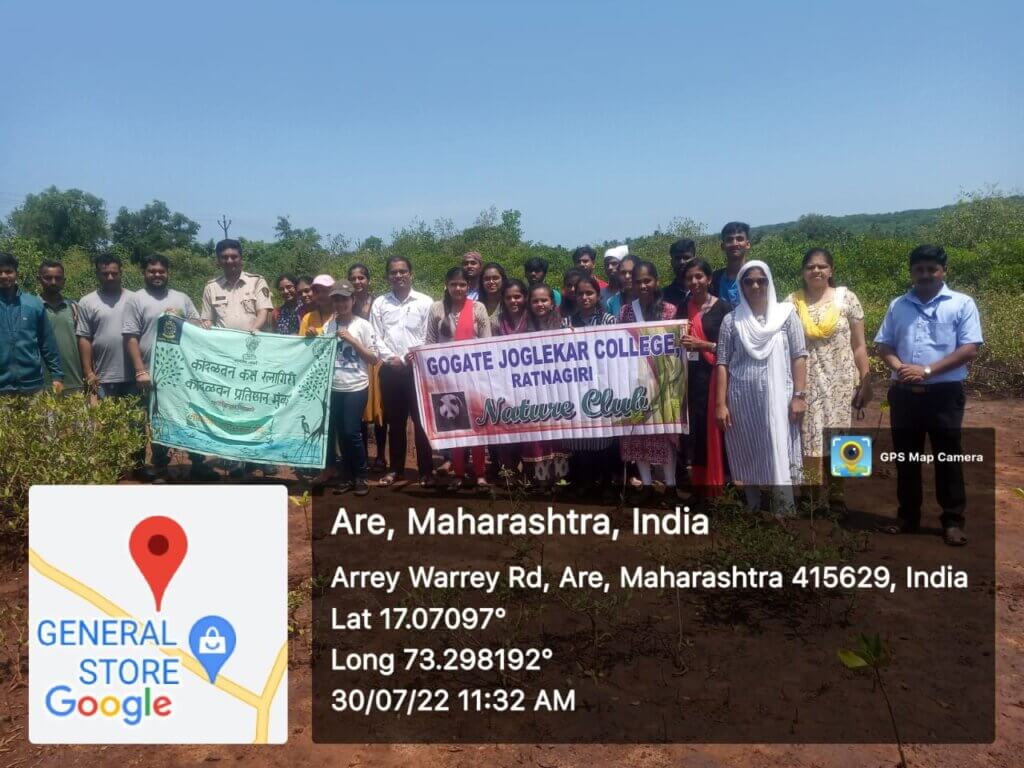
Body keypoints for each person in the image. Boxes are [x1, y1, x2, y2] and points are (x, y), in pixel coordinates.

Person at [875, 244, 982, 547]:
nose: (925, 275)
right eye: (919, 269)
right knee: (906, 458)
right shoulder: (898, 305)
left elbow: (970, 348)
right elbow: (884, 345)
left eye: (931, 269)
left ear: (943, 271)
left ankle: (952, 521)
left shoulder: (961, 304)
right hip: (904, 394)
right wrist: (901, 368)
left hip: (944, 394)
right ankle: (908, 517)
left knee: (947, 457)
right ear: (911, 272)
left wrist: (927, 370)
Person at [716, 261, 808, 516]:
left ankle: (784, 507)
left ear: (769, 282)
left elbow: (799, 356)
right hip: (741, 399)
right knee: (747, 447)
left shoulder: (786, 315)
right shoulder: (731, 321)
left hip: (780, 398)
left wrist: (799, 396)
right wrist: (720, 404)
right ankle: (753, 507)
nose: (755, 286)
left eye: (761, 280)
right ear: (741, 286)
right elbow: (722, 363)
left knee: (778, 444)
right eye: (748, 281)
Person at [786, 248, 872, 511]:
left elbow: (859, 345)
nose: (816, 271)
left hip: (841, 380)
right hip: (807, 381)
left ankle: (838, 497)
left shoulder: (847, 298)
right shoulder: (791, 302)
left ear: (831, 270)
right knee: (809, 437)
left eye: (822, 266)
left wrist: (865, 380)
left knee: (842, 437)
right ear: (803, 272)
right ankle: (811, 497)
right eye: (811, 267)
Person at [123, 254, 217, 481]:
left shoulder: (181, 298)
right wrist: (140, 371)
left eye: (161, 271)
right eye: (152, 271)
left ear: (168, 273)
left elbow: (197, 325)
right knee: (157, 419)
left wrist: (204, 324)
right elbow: (131, 337)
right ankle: (161, 466)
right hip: (151, 373)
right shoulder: (135, 300)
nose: (157, 275)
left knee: (189, 415)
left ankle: (197, 463)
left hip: (182, 372)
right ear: (144, 273)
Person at [618, 261, 682, 506]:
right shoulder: (625, 312)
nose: (643, 285)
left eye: (647, 280)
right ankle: (645, 485)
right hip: (634, 383)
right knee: (638, 437)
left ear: (656, 281)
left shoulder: (669, 311)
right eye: (638, 281)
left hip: (664, 382)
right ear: (631, 284)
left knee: (664, 436)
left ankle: (671, 486)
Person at [425, 266, 493, 491]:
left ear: (468, 286)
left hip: (475, 378)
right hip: (447, 379)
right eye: (453, 284)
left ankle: (481, 474)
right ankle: (459, 473)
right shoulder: (436, 309)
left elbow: (487, 343)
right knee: (455, 427)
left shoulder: (478, 308)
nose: (458, 288)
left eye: (462, 284)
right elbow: (430, 344)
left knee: (477, 427)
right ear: (447, 285)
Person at [369, 256, 434, 487]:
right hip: (390, 370)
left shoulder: (426, 302)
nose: (398, 275)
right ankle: (395, 469)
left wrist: (415, 354)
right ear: (388, 276)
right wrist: (391, 359)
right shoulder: (379, 304)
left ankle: (426, 471)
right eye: (393, 272)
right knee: (395, 423)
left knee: (421, 422)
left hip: (418, 370)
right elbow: (375, 336)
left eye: (402, 271)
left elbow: (429, 335)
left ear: (411, 274)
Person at [316, 280, 378, 496]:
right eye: (337, 299)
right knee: (341, 433)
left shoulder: (362, 325)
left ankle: (362, 476)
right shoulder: (329, 326)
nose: (341, 303)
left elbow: (372, 358)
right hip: (334, 387)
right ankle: (347, 477)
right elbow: (320, 354)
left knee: (352, 432)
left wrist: (352, 340)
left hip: (356, 387)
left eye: (344, 299)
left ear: (353, 300)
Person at [564, 274, 618, 502]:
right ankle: (585, 483)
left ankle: (606, 483)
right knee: (581, 438)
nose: (585, 297)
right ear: (574, 296)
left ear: (598, 295)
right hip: (577, 388)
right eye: (580, 294)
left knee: (604, 438)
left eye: (590, 293)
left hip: (604, 386)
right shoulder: (566, 323)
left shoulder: (609, 321)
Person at [680, 259, 731, 497]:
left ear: (709, 279)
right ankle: (701, 489)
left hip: (717, 380)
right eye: (690, 277)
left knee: (719, 433)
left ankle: (723, 487)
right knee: (697, 434)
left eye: (699, 276)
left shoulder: (724, 310)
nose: (695, 282)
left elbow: (734, 350)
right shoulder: (683, 309)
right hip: (692, 382)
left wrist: (703, 345)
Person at [518, 284, 569, 492]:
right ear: (530, 304)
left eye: (544, 300)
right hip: (533, 391)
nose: (540, 304)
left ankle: (561, 478)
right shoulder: (523, 328)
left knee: (558, 434)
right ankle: (541, 479)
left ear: (552, 302)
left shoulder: (564, 325)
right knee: (537, 435)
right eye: (535, 301)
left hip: (558, 389)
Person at [0, 252, 63, 395]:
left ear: (16, 274)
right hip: (1, 389)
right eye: (0, 272)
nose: (4, 276)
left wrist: (57, 376)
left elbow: (47, 343)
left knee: (41, 418)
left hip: (33, 387)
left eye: (8, 271)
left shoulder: (33, 304)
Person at [77, 253, 135, 399]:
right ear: (97, 274)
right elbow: (84, 338)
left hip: (134, 376)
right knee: (102, 421)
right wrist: (88, 372)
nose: (110, 277)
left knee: (135, 421)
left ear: (121, 273)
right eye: (105, 274)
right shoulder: (86, 302)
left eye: (114, 273)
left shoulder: (135, 299)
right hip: (102, 377)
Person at [348, 263, 387, 472]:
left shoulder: (378, 303)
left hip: (376, 360)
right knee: (360, 412)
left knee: (379, 411)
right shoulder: (347, 303)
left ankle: (381, 456)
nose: (357, 282)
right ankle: (362, 456)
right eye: (353, 278)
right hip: (354, 363)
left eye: (361, 277)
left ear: (368, 280)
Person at [200, 239, 273, 332]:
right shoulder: (211, 287)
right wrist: (207, 324)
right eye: (224, 257)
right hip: (223, 343)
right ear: (218, 260)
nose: (229, 261)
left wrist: (254, 329)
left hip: (252, 341)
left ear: (241, 258)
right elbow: (207, 318)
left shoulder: (257, 282)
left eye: (234, 257)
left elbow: (263, 312)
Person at [38, 260, 84, 393]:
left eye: (58, 278)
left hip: (75, 383)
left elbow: (85, 341)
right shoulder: (32, 308)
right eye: (48, 278)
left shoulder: (75, 307)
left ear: (64, 281)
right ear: (39, 279)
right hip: (43, 385)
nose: (53, 282)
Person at [711, 222, 752, 308]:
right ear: (722, 246)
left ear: (748, 244)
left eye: (739, 239)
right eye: (729, 240)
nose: (735, 243)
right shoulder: (713, 280)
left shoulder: (757, 277)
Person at [663, 238, 697, 312]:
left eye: (686, 257)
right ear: (672, 262)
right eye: (677, 258)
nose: (682, 262)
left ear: (694, 260)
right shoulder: (663, 296)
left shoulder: (708, 291)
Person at [479, 262, 506, 333]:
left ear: (503, 279)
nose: (491, 282)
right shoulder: (476, 307)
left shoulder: (510, 303)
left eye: (495, 278)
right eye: (487, 279)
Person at [606, 254, 635, 318]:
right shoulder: (612, 302)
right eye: (623, 273)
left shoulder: (650, 299)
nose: (627, 276)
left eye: (631, 272)